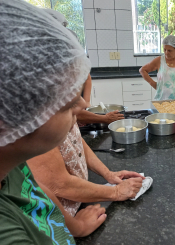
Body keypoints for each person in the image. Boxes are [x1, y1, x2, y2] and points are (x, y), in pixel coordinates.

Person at [0, 1, 107, 243]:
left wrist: (76, 226)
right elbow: (56, 183)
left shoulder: (11, 165)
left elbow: (37, 188)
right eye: (68, 104)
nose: (83, 106)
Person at [27, 120, 145, 217]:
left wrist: (108, 174)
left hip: (80, 199)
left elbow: (76, 140)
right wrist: (116, 192)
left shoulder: (58, 114)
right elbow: (59, 184)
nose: (85, 104)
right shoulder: (34, 126)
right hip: (59, 218)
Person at [43, 8, 124, 124]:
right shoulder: (47, 76)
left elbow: (86, 76)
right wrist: (104, 119)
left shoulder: (69, 56)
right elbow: (67, 111)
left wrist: (85, 103)